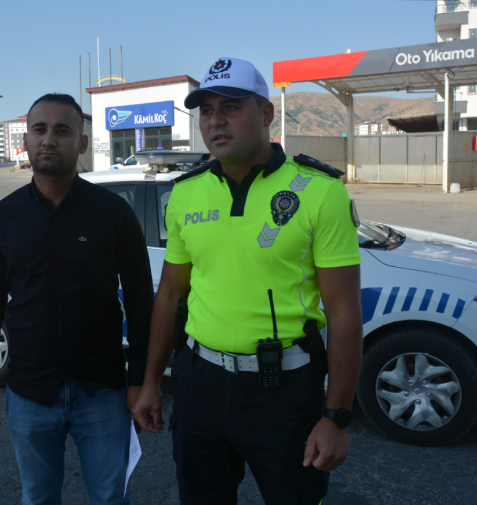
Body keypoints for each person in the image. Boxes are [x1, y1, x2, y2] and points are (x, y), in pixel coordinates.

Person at [131, 57, 363, 504]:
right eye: (206, 110)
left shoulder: (319, 191)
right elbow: (171, 294)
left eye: (231, 106)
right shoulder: (184, 193)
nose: (215, 121)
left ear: (266, 113)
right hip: (200, 386)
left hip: (284, 393)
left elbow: (343, 311)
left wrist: (335, 416)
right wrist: (150, 381)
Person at [0, 93, 154, 505]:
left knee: (109, 497)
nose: (48, 139)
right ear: (27, 140)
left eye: (62, 130)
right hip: (30, 393)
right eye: (39, 129)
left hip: (103, 392)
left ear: (82, 144)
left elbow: (141, 303)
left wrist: (140, 381)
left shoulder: (113, 213)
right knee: (38, 498)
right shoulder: (5, 217)